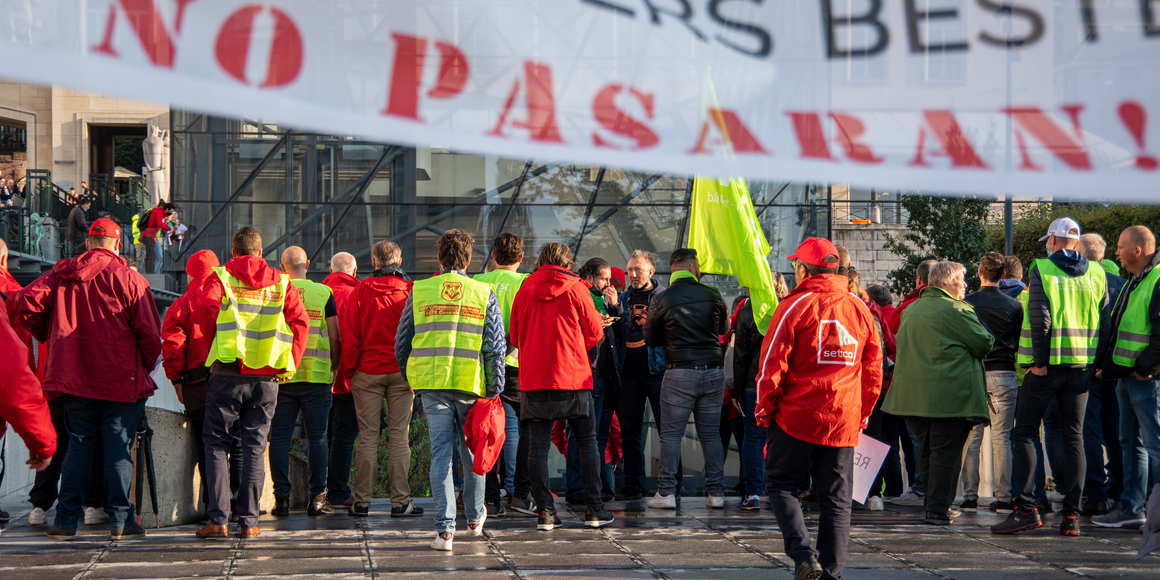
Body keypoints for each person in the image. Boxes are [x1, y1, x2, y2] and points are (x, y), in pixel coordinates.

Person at [16, 219, 161, 541]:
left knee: (79, 447)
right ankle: (122, 521)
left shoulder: (60, 275)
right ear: (117, 244)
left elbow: (25, 303)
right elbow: (150, 334)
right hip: (120, 379)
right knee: (117, 448)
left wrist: (50, 338)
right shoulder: (129, 278)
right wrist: (144, 366)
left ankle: (66, 521)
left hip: (72, 378)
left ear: (88, 242)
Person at [755, 237, 882, 580]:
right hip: (843, 417)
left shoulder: (793, 306)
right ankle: (831, 573)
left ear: (802, 269)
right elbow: (873, 369)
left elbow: (771, 366)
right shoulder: (859, 309)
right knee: (837, 500)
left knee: (782, 486)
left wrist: (763, 410)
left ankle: (803, 556)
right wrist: (863, 412)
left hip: (796, 415)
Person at [190, 226, 310, 540]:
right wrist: (291, 362)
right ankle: (249, 523)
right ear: (260, 252)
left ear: (234, 252)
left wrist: (212, 346)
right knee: (255, 447)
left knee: (216, 445)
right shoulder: (282, 281)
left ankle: (218, 520)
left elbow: (204, 308)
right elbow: (300, 321)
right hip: (268, 376)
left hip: (228, 373)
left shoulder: (221, 277)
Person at [993, 217, 1108, 536]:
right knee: (1075, 438)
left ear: (1056, 241)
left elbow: (1040, 315)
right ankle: (1072, 515)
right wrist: (1095, 363)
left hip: (1046, 369)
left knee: (1025, 433)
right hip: (1080, 370)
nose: (1046, 244)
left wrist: (1040, 362)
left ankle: (1026, 510)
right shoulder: (1097, 272)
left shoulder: (1042, 268)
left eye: (1048, 240)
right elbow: (1105, 320)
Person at [395, 229, 506, 551]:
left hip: (431, 385)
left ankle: (444, 531)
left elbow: (402, 343)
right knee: (472, 454)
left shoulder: (420, 291)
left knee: (440, 456)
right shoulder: (483, 293)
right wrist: (495, 387)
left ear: (439, 258)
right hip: (472, 386)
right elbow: (495, 347)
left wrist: (411, 378)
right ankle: (474, 517)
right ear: (469, 260)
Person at [510, 241, 613, 531]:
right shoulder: (577, 287)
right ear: (567, 263)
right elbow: (594, 333)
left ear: (541, 261)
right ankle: (594, 509)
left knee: (537, 448)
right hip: (574, 377)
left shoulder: (525, 289)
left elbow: (515, 337)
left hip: (534, 379)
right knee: (587, 442)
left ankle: (545, 512)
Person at [884, 261, 992, 526]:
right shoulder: (956, 309)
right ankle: (938, 510)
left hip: (914, 398)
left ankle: (932, 506)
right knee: (947, 455)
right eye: (961, 279)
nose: (965, 284)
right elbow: (984, 343)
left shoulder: (911, 309)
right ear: (944, 283)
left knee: (928, 453)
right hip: (950, 397)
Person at [342, 241, 421, 518]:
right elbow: (417, 335)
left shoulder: (360, 291)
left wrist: (349, 372)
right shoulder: (411, 291)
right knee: (399, 437)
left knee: (367, 438)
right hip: (402, 373)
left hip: (367, 371)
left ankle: (362, 502)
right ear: (398, 262)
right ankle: (400, 502)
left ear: (374, 263)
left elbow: (350, 337)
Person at [645, 248, 728, 508]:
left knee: (670, 435)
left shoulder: (662, 297)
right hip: (713, 371)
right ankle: (716, 494)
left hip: (679, 371)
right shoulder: (713, 294)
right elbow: (724, 328)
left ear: (674, 269)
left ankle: (666, 494)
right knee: (711, 435)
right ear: (693, 268)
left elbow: (650, 339)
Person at [1093, 226, 1160, 529]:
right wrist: (1108, 368)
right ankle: (1132, 508)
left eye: (1120, 247)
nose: (1116, 253)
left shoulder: (1155, 278)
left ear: (1137, 250)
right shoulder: (1136, 279)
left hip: (1146, 380)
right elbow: (1120, 325)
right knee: (1130, 442)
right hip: (1127, 376)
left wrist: (1146, 368)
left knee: (1154, 445)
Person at [269, 247, 341, 517]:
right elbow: (335, 337)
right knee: (318, 437)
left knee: (279, 437)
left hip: (281, 377)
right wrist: (334, 366)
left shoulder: (276, 290)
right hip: (317, 376)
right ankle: (317, 499)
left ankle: (282, 500)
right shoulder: (323, 293)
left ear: (281, 265)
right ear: (308, 263)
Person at [955, 253, 1024, 514]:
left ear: (979, 272)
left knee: (971, 438)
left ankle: (970, 497)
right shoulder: (1014, 306)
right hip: (1004, 373)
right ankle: (1005, 497)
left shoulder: (966, 303)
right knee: (1002, 438)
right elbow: (1017, 342)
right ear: (1004, 275)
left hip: (974, 373)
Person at [160, 249, 223, 513]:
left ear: (189, 275)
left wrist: (176, 380)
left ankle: (212, 504)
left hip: (197, 381)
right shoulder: (228, 296)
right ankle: (242, 504)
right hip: (231, 375)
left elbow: (174, 346)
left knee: (207, 444)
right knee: (240, 444)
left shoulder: (181, 304)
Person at [473, 233, 530, 516]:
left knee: (485, 429)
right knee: (527, 428)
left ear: (493, 257)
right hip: (519, 365)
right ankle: (520, 494)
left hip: (481, 366)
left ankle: (490, 500)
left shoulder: (475, 282)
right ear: (521, 258)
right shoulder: (526, 283)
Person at [1075, 233, 1126, 516]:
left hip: (1088, 365)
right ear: (1103, 256)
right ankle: (1121, 489)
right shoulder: (1123, 284)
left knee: (1090, 430)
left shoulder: (1081, 283)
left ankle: (1094, 492)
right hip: (1116, 369)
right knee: (1116, 431)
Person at [614, 249, 671, 501]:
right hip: (628, 375)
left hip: (657, 374)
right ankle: (634, 485)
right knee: (630, 432)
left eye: (638, 269)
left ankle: (670, 486)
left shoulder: (665, 297)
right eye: (630, 270)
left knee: (666, 432)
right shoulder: (622, 299)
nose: (633, 274)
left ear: (651, 271)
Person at [567, 257, 622, 506]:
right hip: (589, 373)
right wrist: (597, 322)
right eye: (604, 278)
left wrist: (616, 307)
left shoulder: (606, 299)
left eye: (610, 279)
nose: (608, 283)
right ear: (589, 276)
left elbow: (622, 330)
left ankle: (595, 488)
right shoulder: (582, 294)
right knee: (583, 436)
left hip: (606, 374)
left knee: (599, 437)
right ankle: (579, 488)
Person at [885, 259, 938, 507]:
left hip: (911, 380)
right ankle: (931, 489)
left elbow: (894, 343)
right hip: (941, 380)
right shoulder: (953, 306)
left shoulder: (907, 307)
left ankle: (919, 488)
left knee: (916, 439)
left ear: (918, 280)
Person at [322, 252, 360, 508]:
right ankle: (337, 491)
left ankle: (318, 490)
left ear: (330, 269)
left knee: (322, 436)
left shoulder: (318, 292)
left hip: (318, 375)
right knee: (344, 435)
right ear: (354, 272)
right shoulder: (359, 294)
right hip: (349, 377)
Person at [732, 283, 774, 510]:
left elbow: (740, 354)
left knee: (754, 437)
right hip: (779, 382)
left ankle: (753, 492)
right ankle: (782, 490)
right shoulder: (782, 307)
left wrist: (737, 392)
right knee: (779, 438)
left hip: (753, 383)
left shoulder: (746, 311)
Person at [140, 202, 175, 274]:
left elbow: (162, 224)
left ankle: (151, 272)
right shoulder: (159, 212)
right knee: (152, 255)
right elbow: (160, 224)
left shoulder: (161, 213)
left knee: (152, 255)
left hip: (151, 235)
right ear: (167, 209)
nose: (171, 213)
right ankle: (151, 273)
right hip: (148, 235)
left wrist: (170, 229)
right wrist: (169, 228)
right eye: (171, 211)